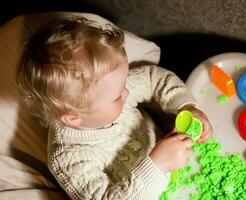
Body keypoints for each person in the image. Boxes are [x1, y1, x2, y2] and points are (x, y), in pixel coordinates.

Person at [16, 17, 213, 200]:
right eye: (117, 96)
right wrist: (157, 165)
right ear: (74, 117)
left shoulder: (110, 88)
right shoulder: (68, 159)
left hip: (180, 157)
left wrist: (185, 105)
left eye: (123, 84)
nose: (126, 92)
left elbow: (153, 78)